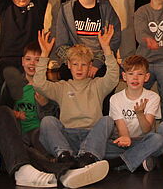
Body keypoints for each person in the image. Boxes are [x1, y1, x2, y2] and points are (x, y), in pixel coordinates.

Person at [31, 28, 122, 171]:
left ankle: (88, 156)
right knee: (48, 121)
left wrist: (106, 49)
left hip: (92, 137)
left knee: (107, 121)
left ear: (90, 66)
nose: (79, 69)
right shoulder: (62, 87)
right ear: (68, 65)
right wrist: (44, 55)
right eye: (75, 64)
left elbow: (113, 77)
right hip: (68, 137)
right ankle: (65, 156)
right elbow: (39, 84)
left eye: (83, 65)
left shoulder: (97, 85)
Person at [51, 0, 123, 76]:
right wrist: (77, 64)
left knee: (109, 75)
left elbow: (115, 40)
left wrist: (97, 64)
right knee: (65, 74)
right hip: (74, 61)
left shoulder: (106, 8)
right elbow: (61, 44)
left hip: (100, 62)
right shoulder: (66, 9)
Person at [105, 55, 163, 173]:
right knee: (103, 145)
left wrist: (140, 114)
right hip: (124, 142)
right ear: (124, 76)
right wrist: (125, 138)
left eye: (140, 74)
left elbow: (146, 130)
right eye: (130, 74)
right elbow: (121, 128)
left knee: (159, 140)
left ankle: (119, 163)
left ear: (146, 77)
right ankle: (138, 160)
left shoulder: (153, 97)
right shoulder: (115, 98)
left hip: (144, 141)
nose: (135, 78)